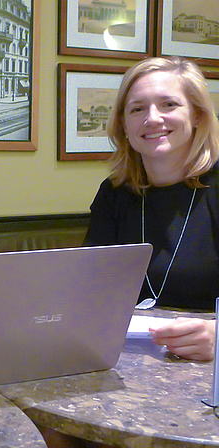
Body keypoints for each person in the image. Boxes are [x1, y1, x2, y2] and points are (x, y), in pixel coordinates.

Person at [84, 57, 218, 362]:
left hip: (207, 367)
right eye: (137, 109)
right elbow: (92, 286)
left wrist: (218, 336)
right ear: (125, 125)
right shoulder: (114, 194)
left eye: (169, 104)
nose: (152, 118)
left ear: (197, 115)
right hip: (124, 357)